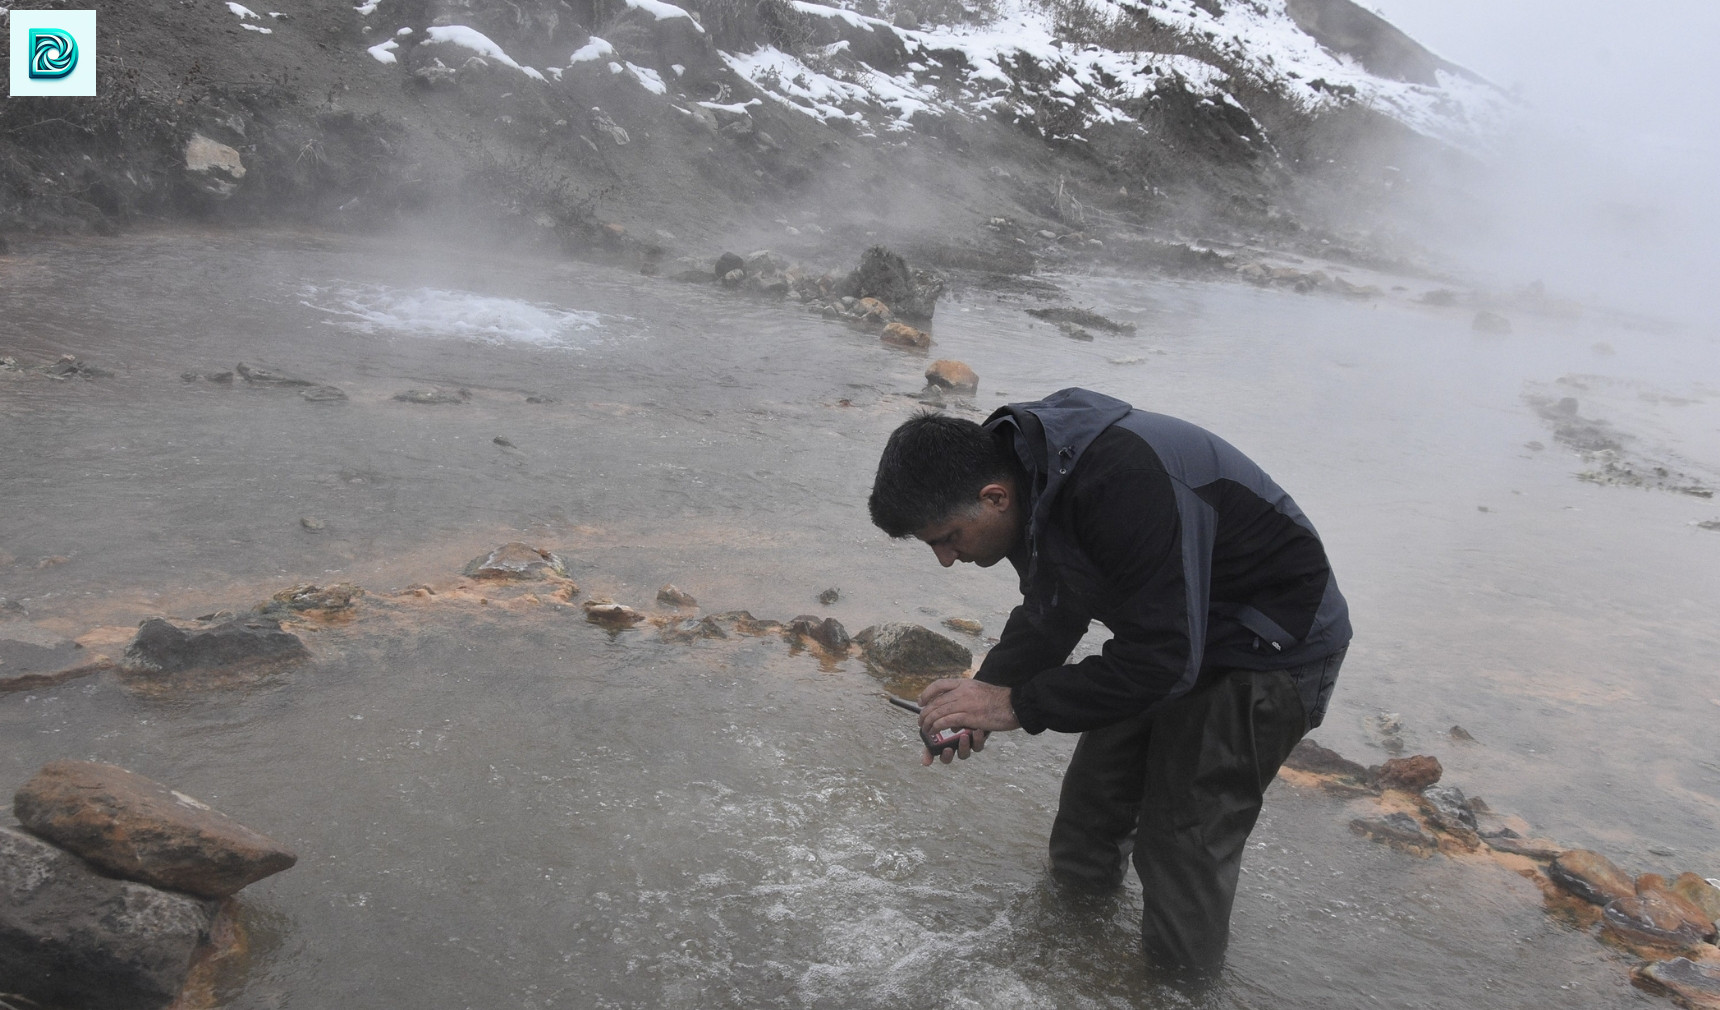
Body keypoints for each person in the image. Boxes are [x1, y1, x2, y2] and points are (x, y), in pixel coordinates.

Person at [867, 387, 1351, 969]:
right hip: (1176, 631)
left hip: (1270, 647)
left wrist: (1016, 704)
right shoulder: (1033, 474)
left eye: (947, 538)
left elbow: (1164, 664)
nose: (945, 559)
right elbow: (1053, 605)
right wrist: (985, 691)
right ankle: (1068, 961)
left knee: (1181, 841)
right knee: (1092, 807)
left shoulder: (1124, 482)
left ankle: (1177, 991)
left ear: (992, 498)